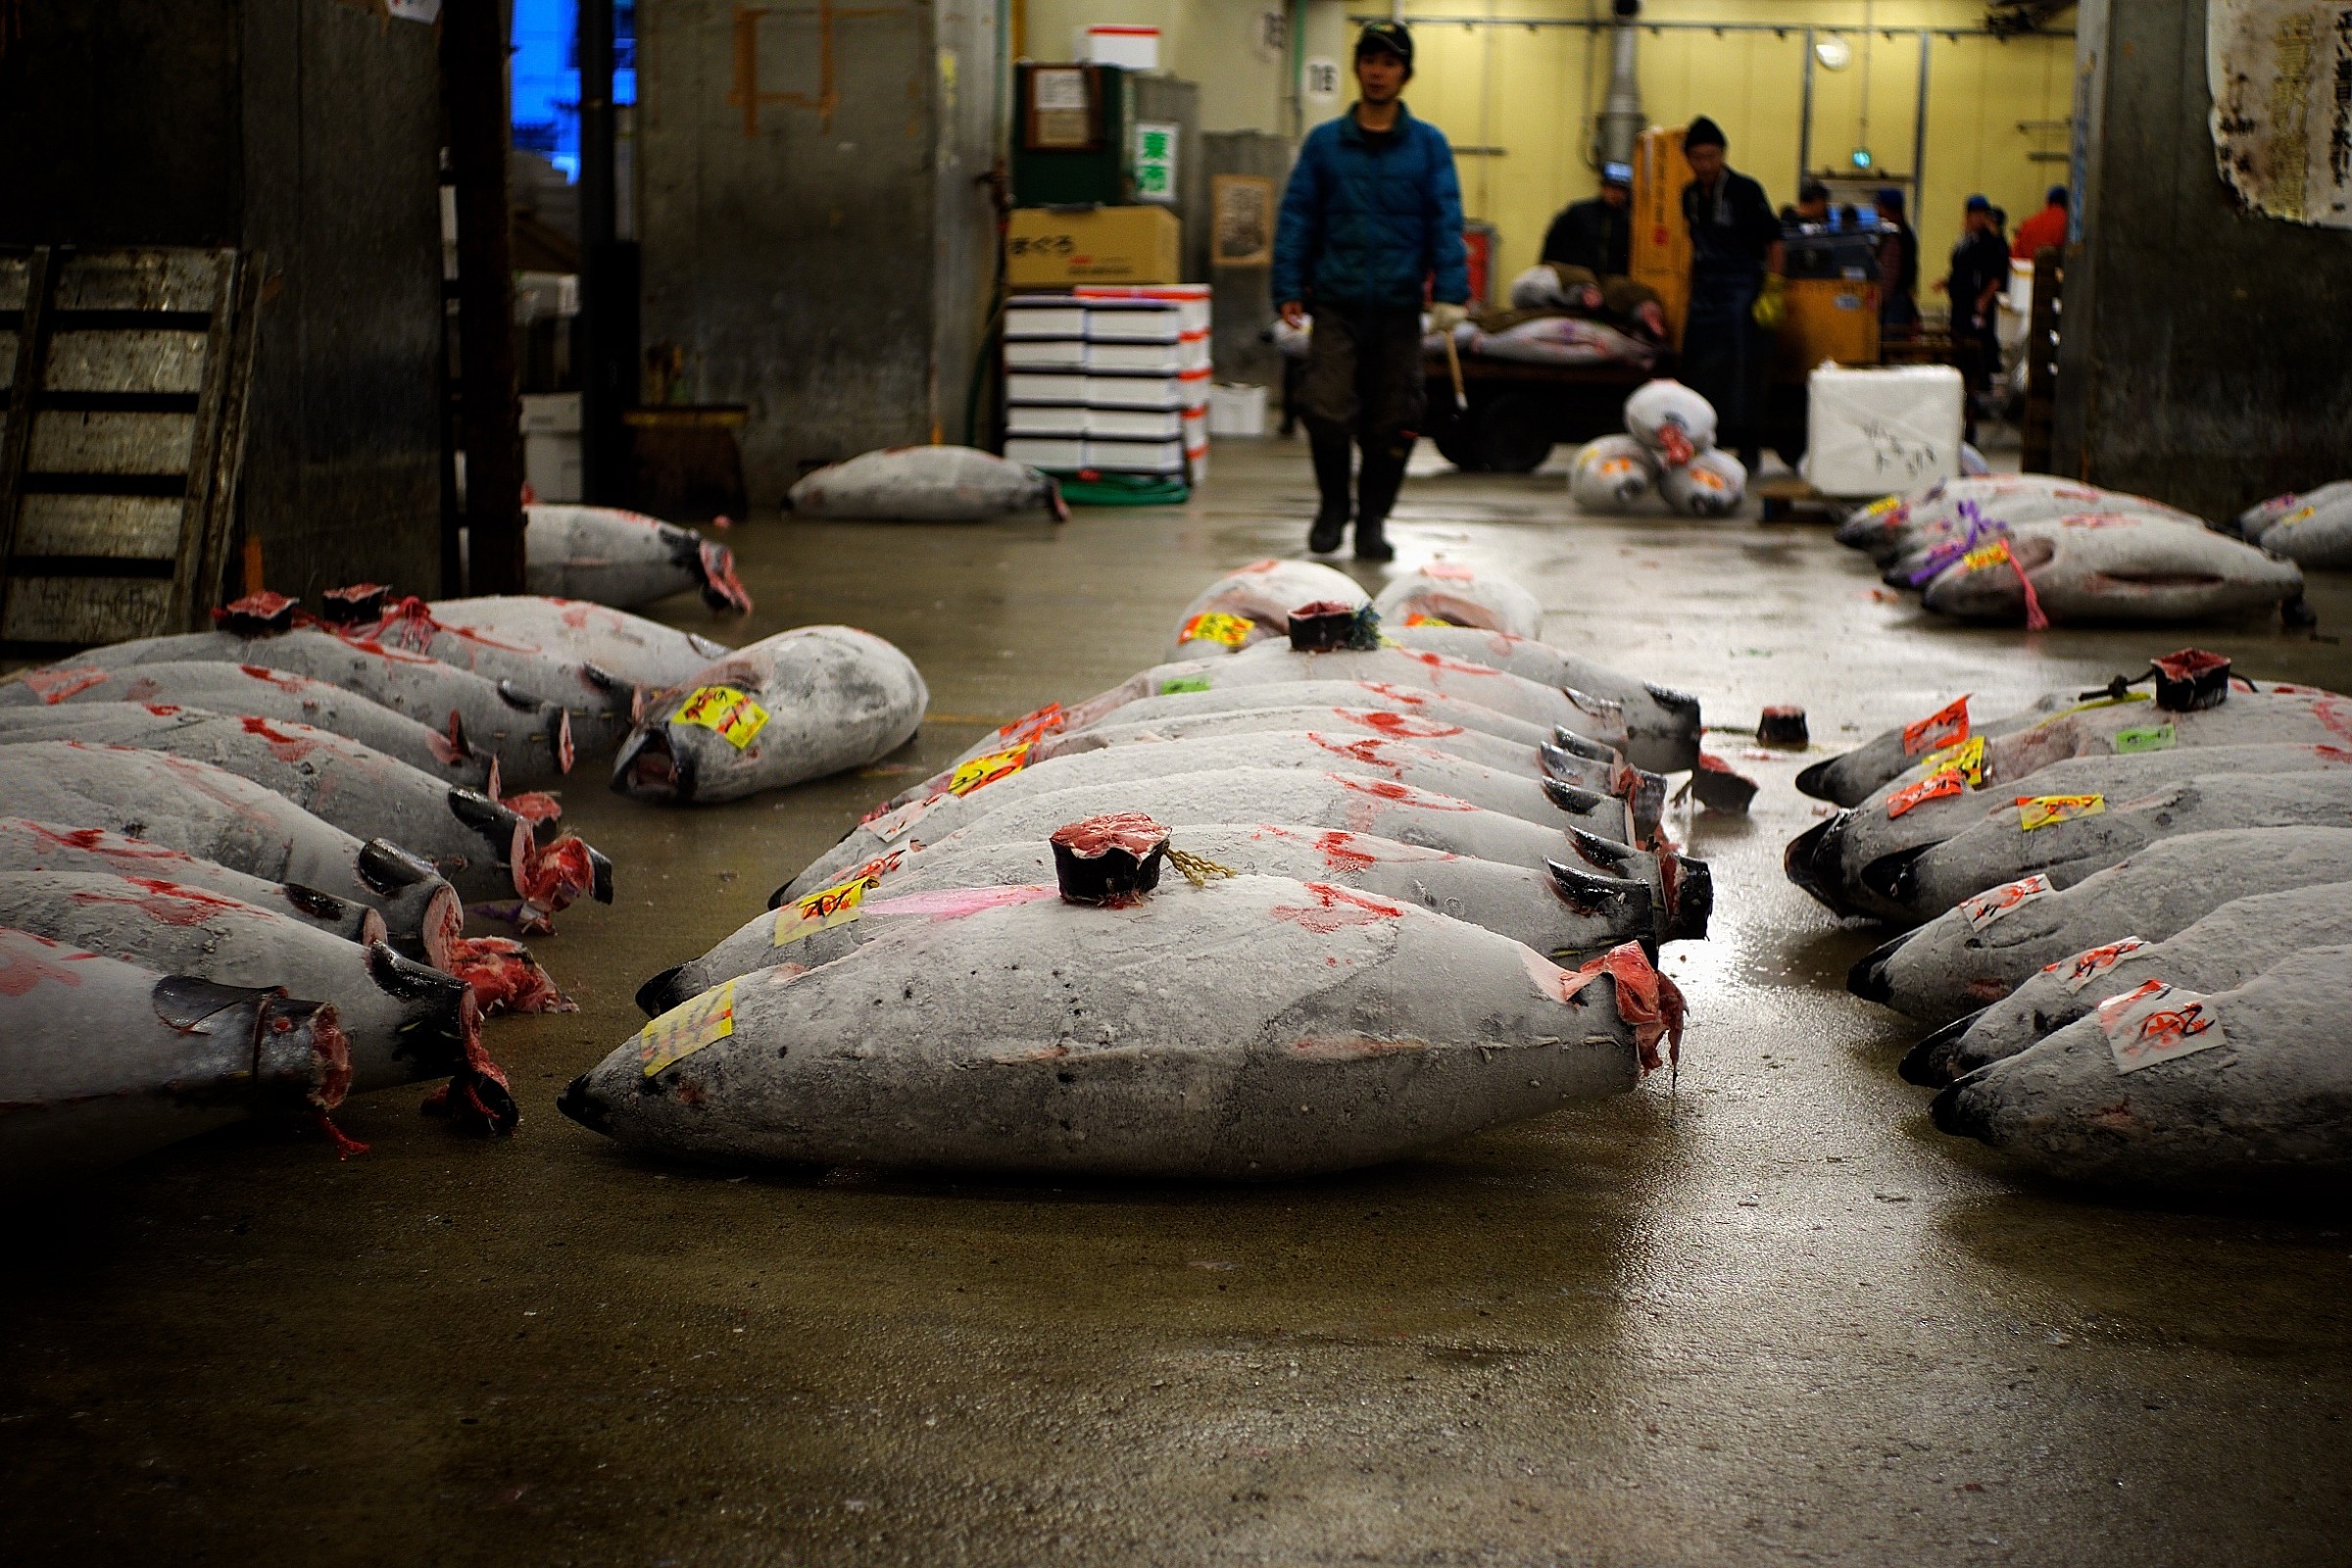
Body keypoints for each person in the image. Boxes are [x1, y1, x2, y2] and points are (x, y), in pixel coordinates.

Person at [1273, 21, 1467, 561]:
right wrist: (1288, 284)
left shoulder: (1428, 146)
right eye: (1370, 60)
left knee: (1394, 419)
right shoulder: (1325, 144)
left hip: (1399, 308)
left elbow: (1445, 219)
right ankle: (1334, 506)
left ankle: (1373, 522)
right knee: (1326, 408)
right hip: (1336, 303)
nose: (1378, 72)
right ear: (1358, 67)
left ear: (1405, 74)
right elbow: (1298, 218)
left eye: (1390, 63)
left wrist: (1451, 290)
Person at [1677, 116, 1783, 471]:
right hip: (1705, 291)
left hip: (1742, 289)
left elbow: (1774, 238)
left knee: (1743, 368)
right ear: (1688, 159)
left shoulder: (1745, 190)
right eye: (1698, 157)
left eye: (1711, 155)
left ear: (1722, 154)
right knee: (1700, 367)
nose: (1705, 164)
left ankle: (1749, 447)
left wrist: (1774, 285)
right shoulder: (1688, 195)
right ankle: (1706, 441)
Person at [1940, 194, 2009, 439]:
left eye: (1982, 214)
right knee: (1959, 349)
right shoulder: (1966, 241)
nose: (1978, 219)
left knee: (1974, 353)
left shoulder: (1991, 243)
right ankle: (1963, 396)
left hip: (1975, 312)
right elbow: (1960, 271)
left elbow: (1996, 276)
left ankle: (1973, 400)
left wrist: (1983, 300)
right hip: (1960, 309)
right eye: (1974, 214)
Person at [1540, 163, 1633, 278]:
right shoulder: (1579, 213)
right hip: (1578, 281)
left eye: (1621, 189)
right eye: (1612, 187)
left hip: (1613, 284)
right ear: (1602, 187)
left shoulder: (1630, 221)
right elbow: (1554, 244)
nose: (1616, 194)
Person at [1874, 187, 1918, 340]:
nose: (1877, 211)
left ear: (1887, 208)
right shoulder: (1905, 233)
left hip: (1894, 299)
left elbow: (1890, 270)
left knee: (1890, 340)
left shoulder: (1894, 235)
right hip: (1901, 296)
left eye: (1879, 206)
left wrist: (1880, 299)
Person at [2012, 184, 2069, 259]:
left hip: (2028, 267)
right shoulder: (2068, 224)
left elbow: (2016, 253)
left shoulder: (2029, 223)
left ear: (2048, 201)